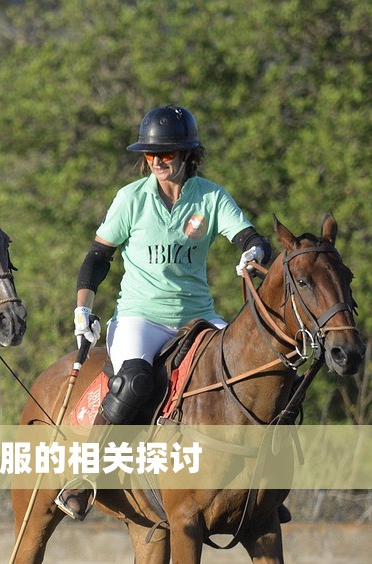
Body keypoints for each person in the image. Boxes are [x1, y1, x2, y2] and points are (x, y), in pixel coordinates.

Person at [61, 104, 273, 519]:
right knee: (135, 380)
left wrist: (253, 251)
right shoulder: (131, 199)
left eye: (167, 154)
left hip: (197, 317)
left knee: (252, 370)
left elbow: (252, 237)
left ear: (188, 155)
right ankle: (85, 476)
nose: (157, 162)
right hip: (141, 317)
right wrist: (83, 309)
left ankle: (261, 487)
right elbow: (97, 258)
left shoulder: (211, 196)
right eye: (151, 155)